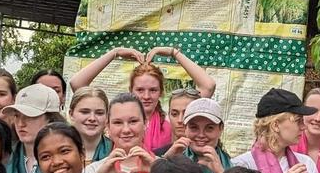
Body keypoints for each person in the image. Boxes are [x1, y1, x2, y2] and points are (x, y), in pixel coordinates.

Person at [72, 47, 218, 149]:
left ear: (161, 92)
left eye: (153, 90)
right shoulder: (115, 119)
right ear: (131, 90)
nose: (146, 96)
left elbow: (208, 86)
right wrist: (114, 53)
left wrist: (174, 53)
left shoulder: (172, 120)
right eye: (140, 90)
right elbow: (77, 83)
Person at [2, 84, 65, 173]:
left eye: (30, 116)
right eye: (17, 116)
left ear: (51, 119)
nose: (20, 123)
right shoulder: (5, 157)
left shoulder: (66, 159)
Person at [69, 86, 112, 162]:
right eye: (85, 112)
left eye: (99, 113)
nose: (92, 118)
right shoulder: (56, 149)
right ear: (71, 114)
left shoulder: (115, 149)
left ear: (107, 117)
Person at [160, 86, 202, 153]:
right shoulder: (157, 155)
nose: (180, 120)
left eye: (186, 114)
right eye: (174, 114)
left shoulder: (212, 156)